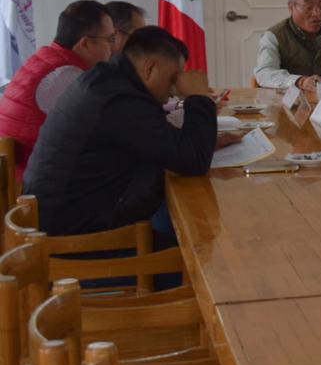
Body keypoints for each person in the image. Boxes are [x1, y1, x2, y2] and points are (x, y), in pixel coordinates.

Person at [22, 27, 238, 239]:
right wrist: (198, 97)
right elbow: (194, 163)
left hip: (64, 222)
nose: (175, 90)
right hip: (75, 241)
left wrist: (203, 140)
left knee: (178, 224)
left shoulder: (107, 81)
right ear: (150, 68)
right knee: (204, 252)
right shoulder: (119, 100)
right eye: (173, 80)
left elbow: (164, 142)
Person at [0, 0, 114, 184]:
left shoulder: (47, 59)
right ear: (84, 43)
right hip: (30, 189)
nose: (113, 48)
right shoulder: (65, 75)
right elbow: (108, 127)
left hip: (22, 176)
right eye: (109, 40)